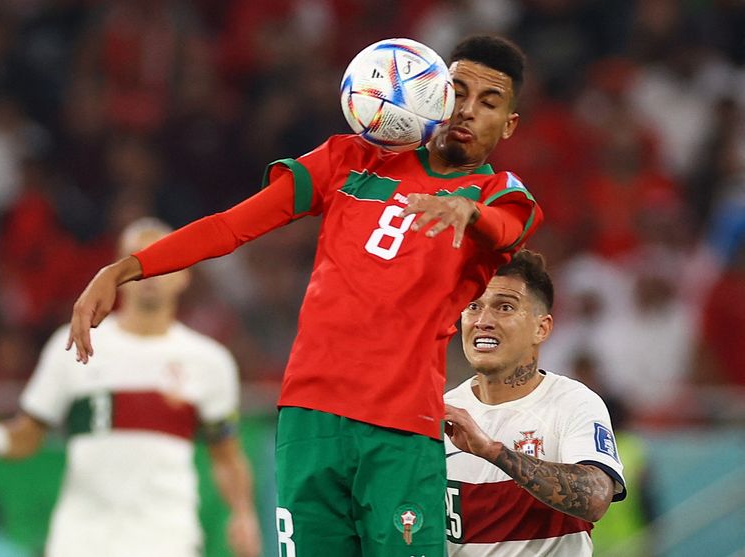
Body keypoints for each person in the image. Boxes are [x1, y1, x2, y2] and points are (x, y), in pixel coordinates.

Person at [68, 35, 543, 556]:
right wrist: (126, 269)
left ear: (509, 124)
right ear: (434, 95)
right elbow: (231, 227)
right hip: (309, 418)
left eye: (489, 102)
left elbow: (506, 228)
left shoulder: (497, 194)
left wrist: (468, 211)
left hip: (402, 428)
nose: (468, 111)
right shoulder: (349, 160)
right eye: (458, 92)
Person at [0, 218, 262, 557]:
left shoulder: (209, 362)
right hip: (82, 540)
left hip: (167, 539)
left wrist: (243, 514)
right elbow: (29, 433)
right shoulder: (73, 342)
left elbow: (227, 456)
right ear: (118, 272)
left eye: (162, 258)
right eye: (137, 259)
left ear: (184, 274)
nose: (150, 273)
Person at [443, 250, 626, 556]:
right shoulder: (440, 411)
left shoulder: (573, 403)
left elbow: (596, 498)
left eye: (504, 307)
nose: (483, 321)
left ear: (541, 328)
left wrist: (493, 452)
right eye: (473, 306)